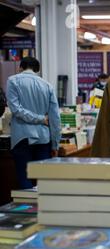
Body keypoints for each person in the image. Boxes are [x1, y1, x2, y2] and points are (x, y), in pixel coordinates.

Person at [6, 57, 61, 189]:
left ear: (20, 67)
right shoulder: (47, 85)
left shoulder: (12, 81)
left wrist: (38, 118)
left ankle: (29, 208)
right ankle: (42, 208)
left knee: (24, 178)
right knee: (42, 180)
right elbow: (55, 117)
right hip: (43, 138)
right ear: (37, 69)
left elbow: (16, 109)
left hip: (22, 137)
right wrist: (55, 144)